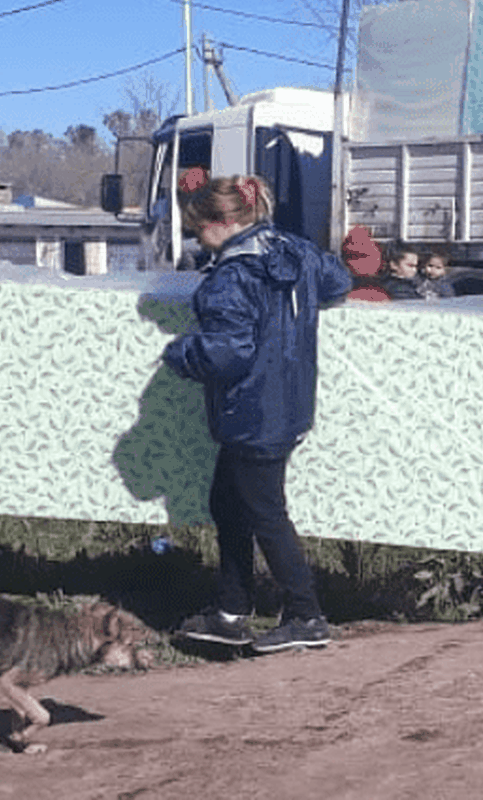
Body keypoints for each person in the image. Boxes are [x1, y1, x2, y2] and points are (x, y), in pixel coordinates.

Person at [164, 174, 353, 653]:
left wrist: (181, 353)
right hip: (287, 405)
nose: (195, 239)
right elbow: (339, 282)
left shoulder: (231, 276)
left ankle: (307, 616)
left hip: (249, 411)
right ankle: (231, 609)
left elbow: (228, 352)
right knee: (228, 503)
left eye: (197, 229)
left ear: (223, 223)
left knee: (265, 513)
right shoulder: (293, 251)